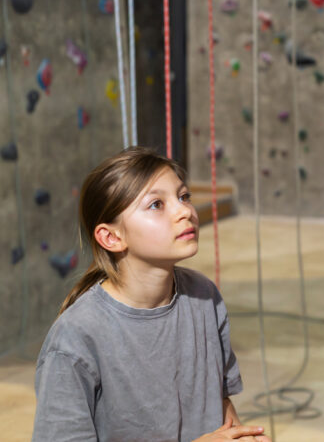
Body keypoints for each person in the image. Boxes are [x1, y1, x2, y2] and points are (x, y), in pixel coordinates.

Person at [32, 147, 269, 442]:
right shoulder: (75, 338)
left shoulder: (205, 297)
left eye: (184, 197)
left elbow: (221, 407)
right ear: (112, 237)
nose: (185, 211)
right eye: (157, 204)